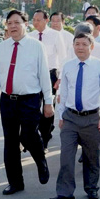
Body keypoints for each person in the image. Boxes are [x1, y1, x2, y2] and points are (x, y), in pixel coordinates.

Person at [0, 10, 53, 196]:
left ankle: (40, 160)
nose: (13, 26)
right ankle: (15, 182)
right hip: (7, 100)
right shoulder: (2, 47)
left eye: (17, 22)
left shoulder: (36, 46)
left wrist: (48, 101)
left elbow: (44, 75)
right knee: (10, 141)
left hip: (30, 99)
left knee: (29, 134)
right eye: (9, 23)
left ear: (26, 24)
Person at [51, 32, 100, 199]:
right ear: (73, 46)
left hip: (92, 118)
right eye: (77, 44)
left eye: (84, 44)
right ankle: (65, 192)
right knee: (66, 157)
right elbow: (63, 92)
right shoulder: (68, 66)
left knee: (91, 157)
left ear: (91, 47)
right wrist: (60, 115)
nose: (80, 48)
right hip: (70, 117)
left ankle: (91, 188)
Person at [32, 9, 67, 149]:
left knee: (48, 106)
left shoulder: (55, 35)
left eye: (38, 20)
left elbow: (63, 58)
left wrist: (60, 78)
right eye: (34, 20)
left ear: (46, 20)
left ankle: (45, 140)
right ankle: (34, 136)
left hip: (50, 74)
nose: (35, 22)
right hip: (33, 76)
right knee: (33, 106)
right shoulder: (30, 36)